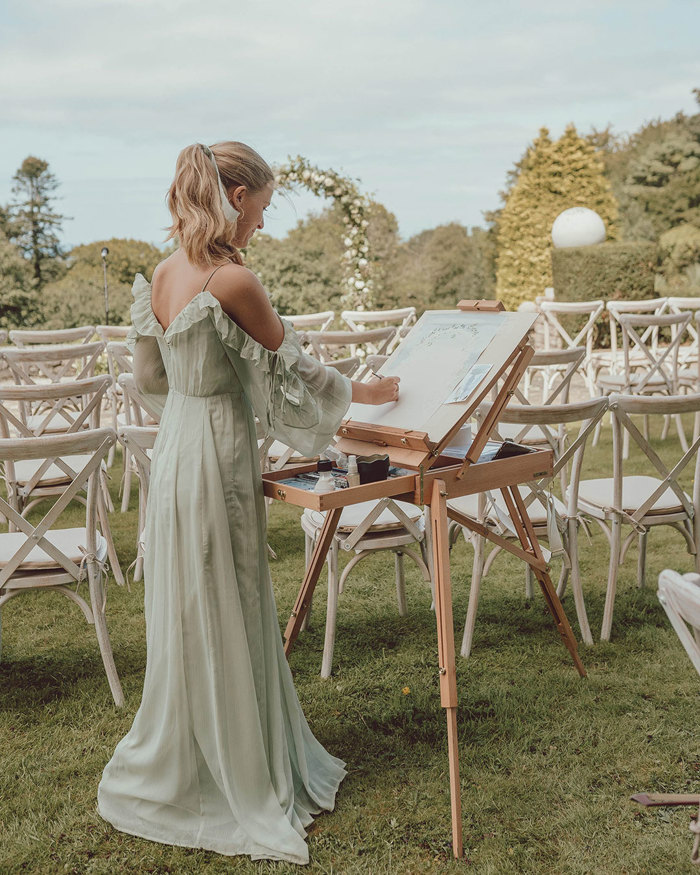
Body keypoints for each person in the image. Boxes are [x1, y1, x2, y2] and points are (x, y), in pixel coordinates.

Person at [97, 141, 400, 865]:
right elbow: (293, 379)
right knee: (229, 596)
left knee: (192, 604)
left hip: (174, 453)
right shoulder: (232, 278)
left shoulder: (164, 274)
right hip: (218, 451)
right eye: (261, 210)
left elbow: (153, 379)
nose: (261, 225)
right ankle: (241, 767)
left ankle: (198, 750)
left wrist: (200, 396)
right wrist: (366, 392)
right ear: (236, 197)